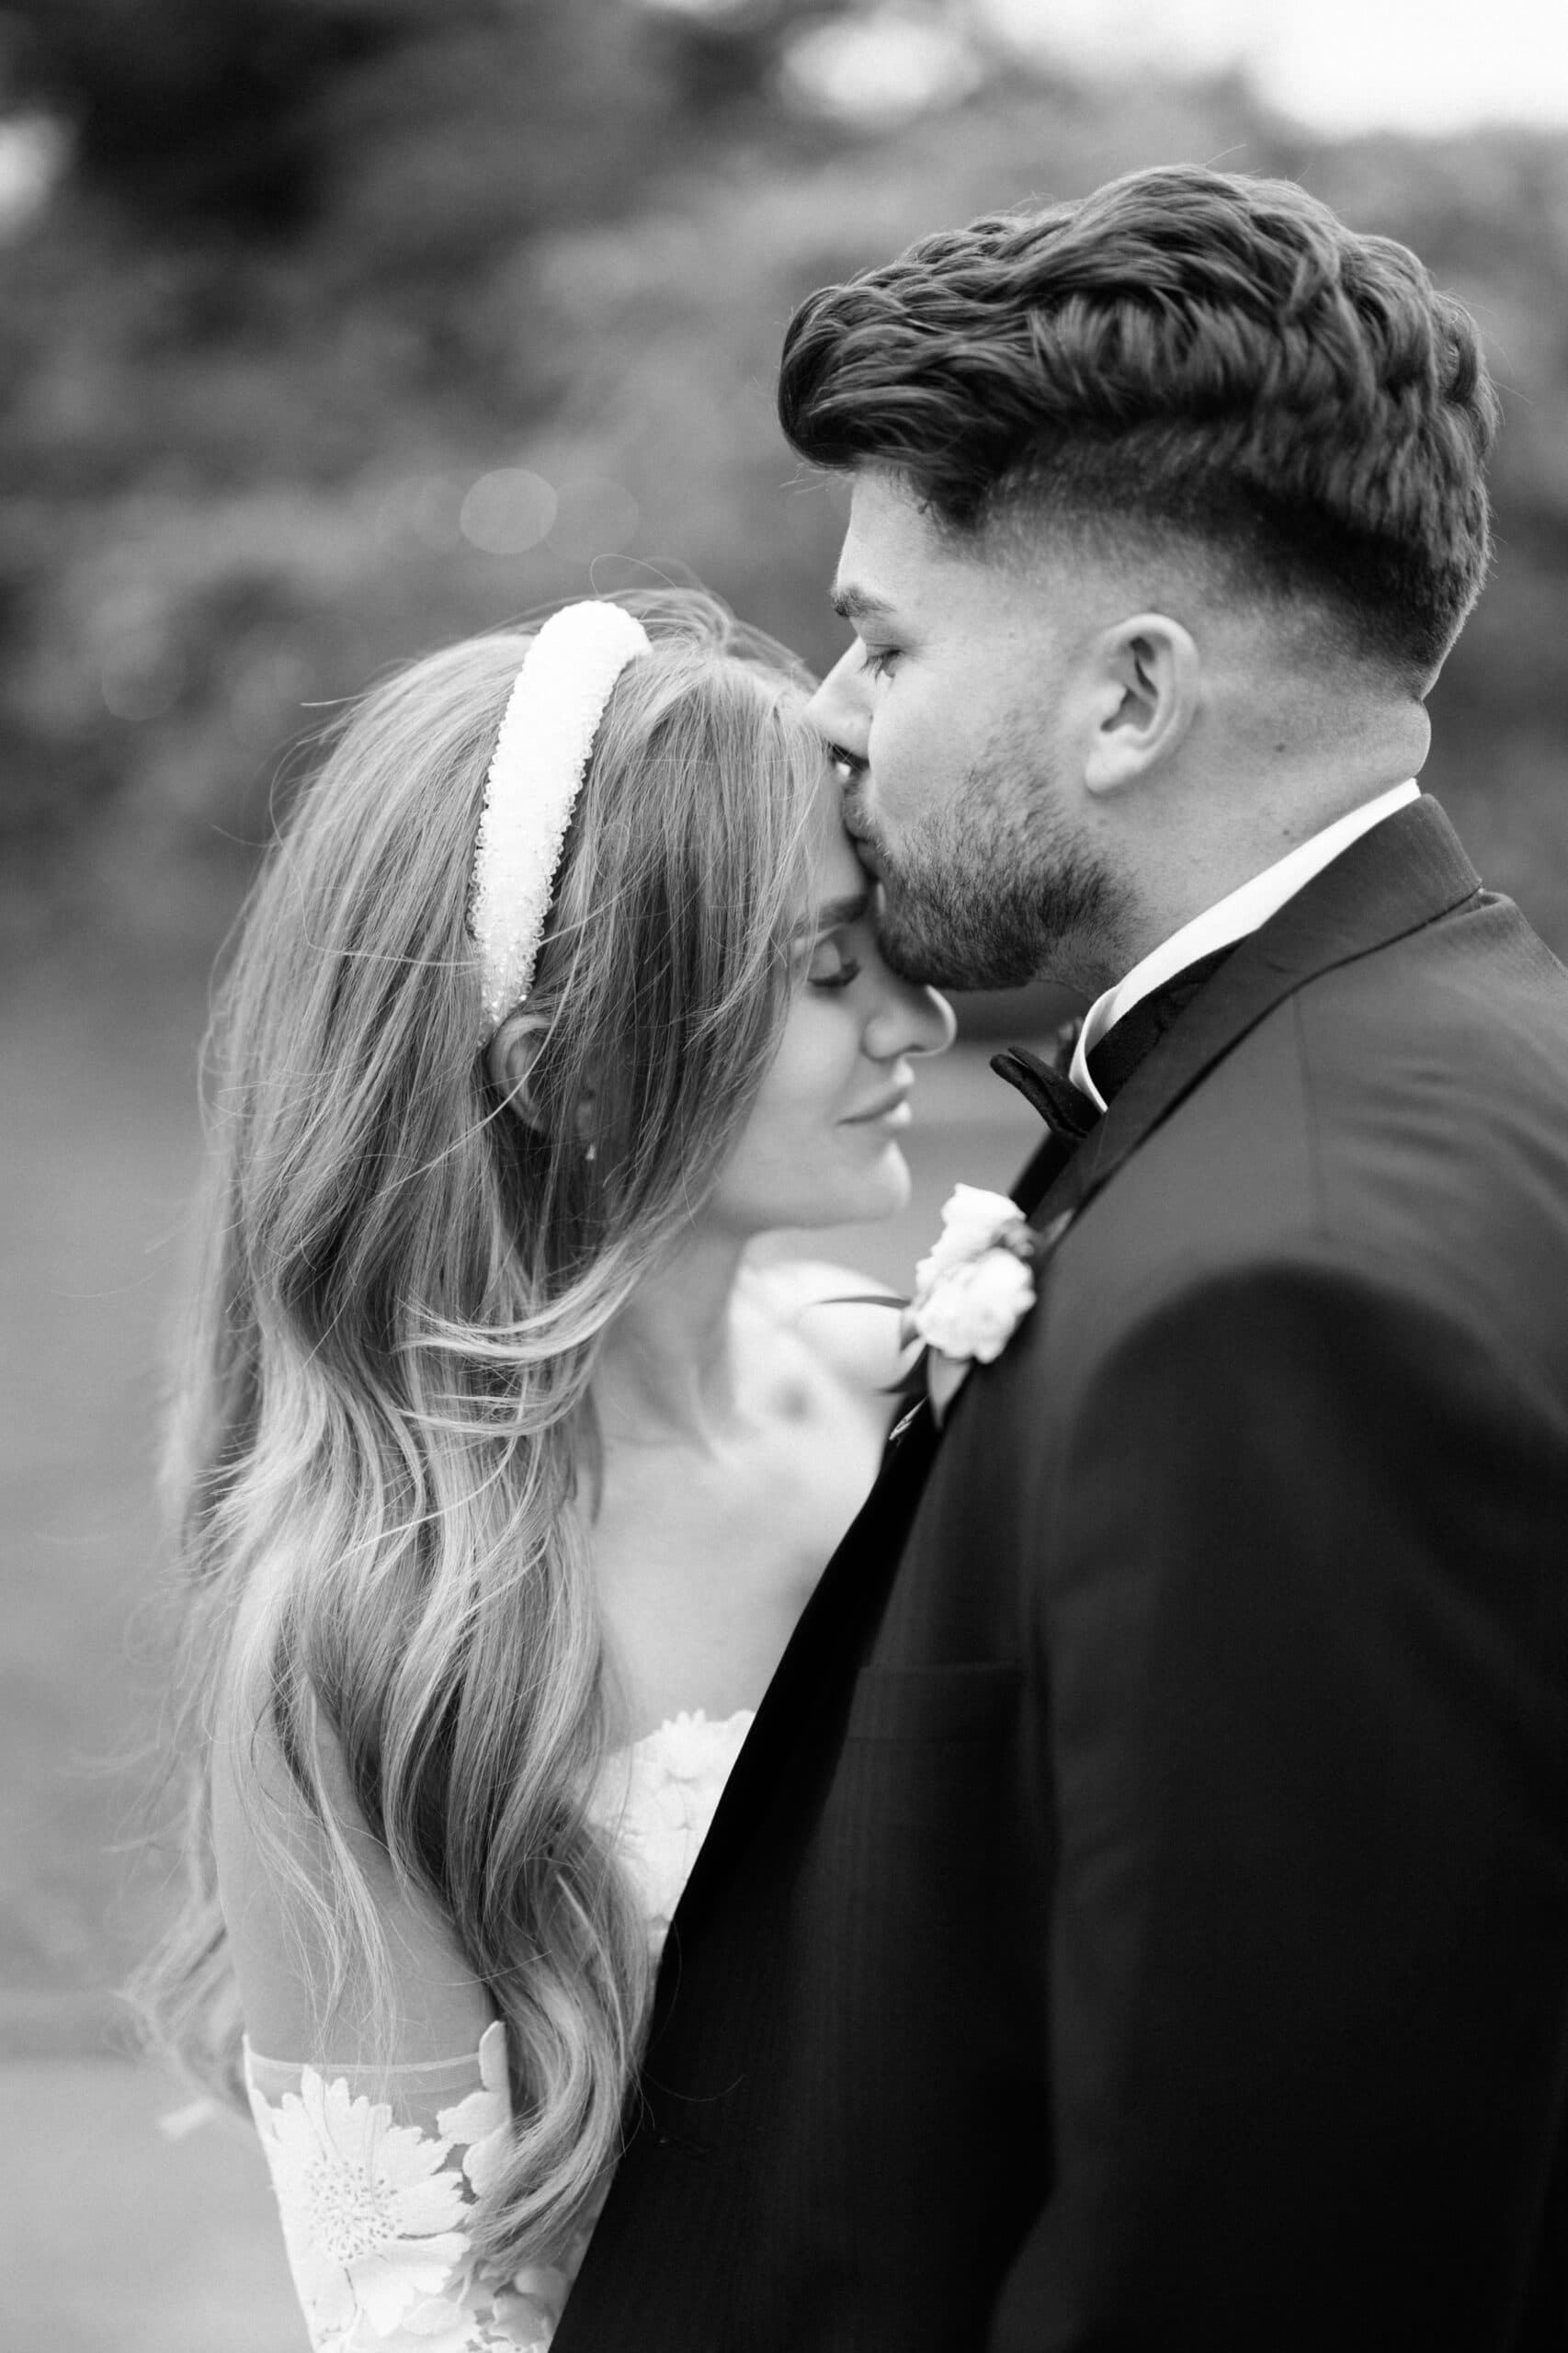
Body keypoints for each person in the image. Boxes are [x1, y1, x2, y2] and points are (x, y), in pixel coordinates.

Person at [552, 168, 1568, 2348]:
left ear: (1129, 698)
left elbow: (1259, 2255)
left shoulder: (1281, 1295)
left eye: (888, 641)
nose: (831, 711)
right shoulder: (1447, 1068)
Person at [135, 590, 952, 2349]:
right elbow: (418, 2316)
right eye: (825, 972)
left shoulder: (913, 1389)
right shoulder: (382, 1637)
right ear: (566, 1070)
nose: (919, 1022)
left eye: (885, 939)